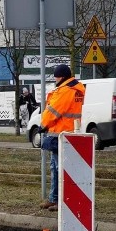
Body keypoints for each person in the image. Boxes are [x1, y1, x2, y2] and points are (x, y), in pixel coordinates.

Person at [39, 64, 85, 211]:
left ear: (62, 77)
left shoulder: (65, 91)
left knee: (59, 169)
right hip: (71, 133)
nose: (55, 79)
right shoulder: (78, 89)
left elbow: (53, 111)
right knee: (59, 168)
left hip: (60, 134)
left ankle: (59, 201)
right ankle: (54, 199)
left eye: (56, 76)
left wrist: (43, 124)